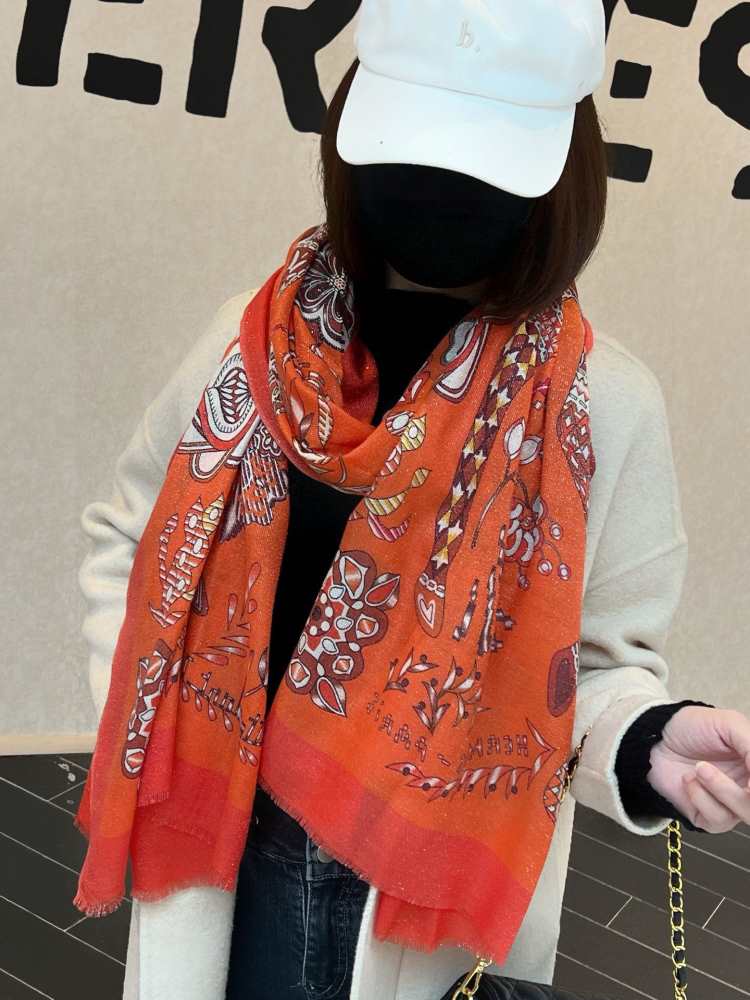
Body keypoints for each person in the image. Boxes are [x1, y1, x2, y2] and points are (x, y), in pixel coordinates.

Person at [73, 3, 750, 999]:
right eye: (419, 143)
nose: (442, 190)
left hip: (413, 888)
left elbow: (589, 667)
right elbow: (127, 538)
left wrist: (647, 740)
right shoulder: (249, 346)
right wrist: (152, 715)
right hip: (220, 835)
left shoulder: (601, 405)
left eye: (486, 156)